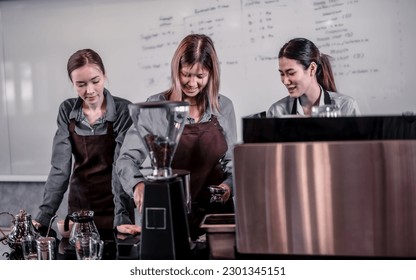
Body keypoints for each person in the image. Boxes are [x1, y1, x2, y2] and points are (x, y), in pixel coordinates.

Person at [114, 34, 237, 240]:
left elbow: (232, 162)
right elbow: (126, 159)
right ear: (176, 70)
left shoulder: (223, 107)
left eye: (200, 76)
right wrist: (138, 184)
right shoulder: (155, 107)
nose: (192, 83)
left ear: (212, 74)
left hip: (216, 215)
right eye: (186, 74)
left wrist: (228, 186)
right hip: (171, 212)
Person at [34, 49, 133, 234]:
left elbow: (122, 165)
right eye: (80, 84)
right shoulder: (66, 110)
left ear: (104, 75)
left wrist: (122, 215)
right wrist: (44, 215)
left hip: (117, 205)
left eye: (95, 81)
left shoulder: (123, 110)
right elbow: (60, 167)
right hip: (80, 205)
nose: (89, 91)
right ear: (72, 84)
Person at [267, 37, 361, 117]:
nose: (285, 81)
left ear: (312, 69)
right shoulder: (276, 112)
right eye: (282, 74)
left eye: (291, 73)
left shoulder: (345, 106)